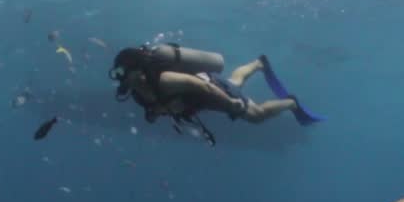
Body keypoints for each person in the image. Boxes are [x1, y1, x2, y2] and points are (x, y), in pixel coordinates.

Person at [109, 43, 322, 142]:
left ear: (136, 71)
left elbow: (203, 87)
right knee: (234, 81)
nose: (120, 78)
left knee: (256, 116)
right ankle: (258, 63)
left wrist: (230, 104)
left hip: (210, 91)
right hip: (202, 98)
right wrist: (154, 112)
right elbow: (157, 108)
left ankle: (291, 103)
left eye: (122, 72)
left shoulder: (165, 80)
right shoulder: (138, 92)